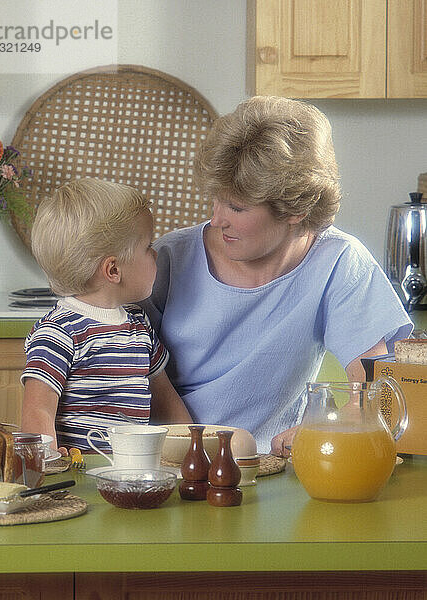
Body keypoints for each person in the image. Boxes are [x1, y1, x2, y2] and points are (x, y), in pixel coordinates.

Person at [142, 96, 413, 457]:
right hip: (173, 457)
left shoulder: (338, 261)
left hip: (275, 463)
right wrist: (194, 447)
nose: (217, 217)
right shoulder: (169, 258)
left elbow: (375, 378)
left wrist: (331, 425)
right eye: (217, 199)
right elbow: (134, 371)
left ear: (296, 209)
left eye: (237, 207)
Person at [21, 178, 191, 452]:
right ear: (113, 270)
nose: (156, 253)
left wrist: (192, 449)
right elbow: (37, 409)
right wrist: (48, 461)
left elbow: (166, 401)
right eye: (147, 246)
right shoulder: (59, 332)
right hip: (79, 474)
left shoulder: (139, 325)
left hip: (131, 470)